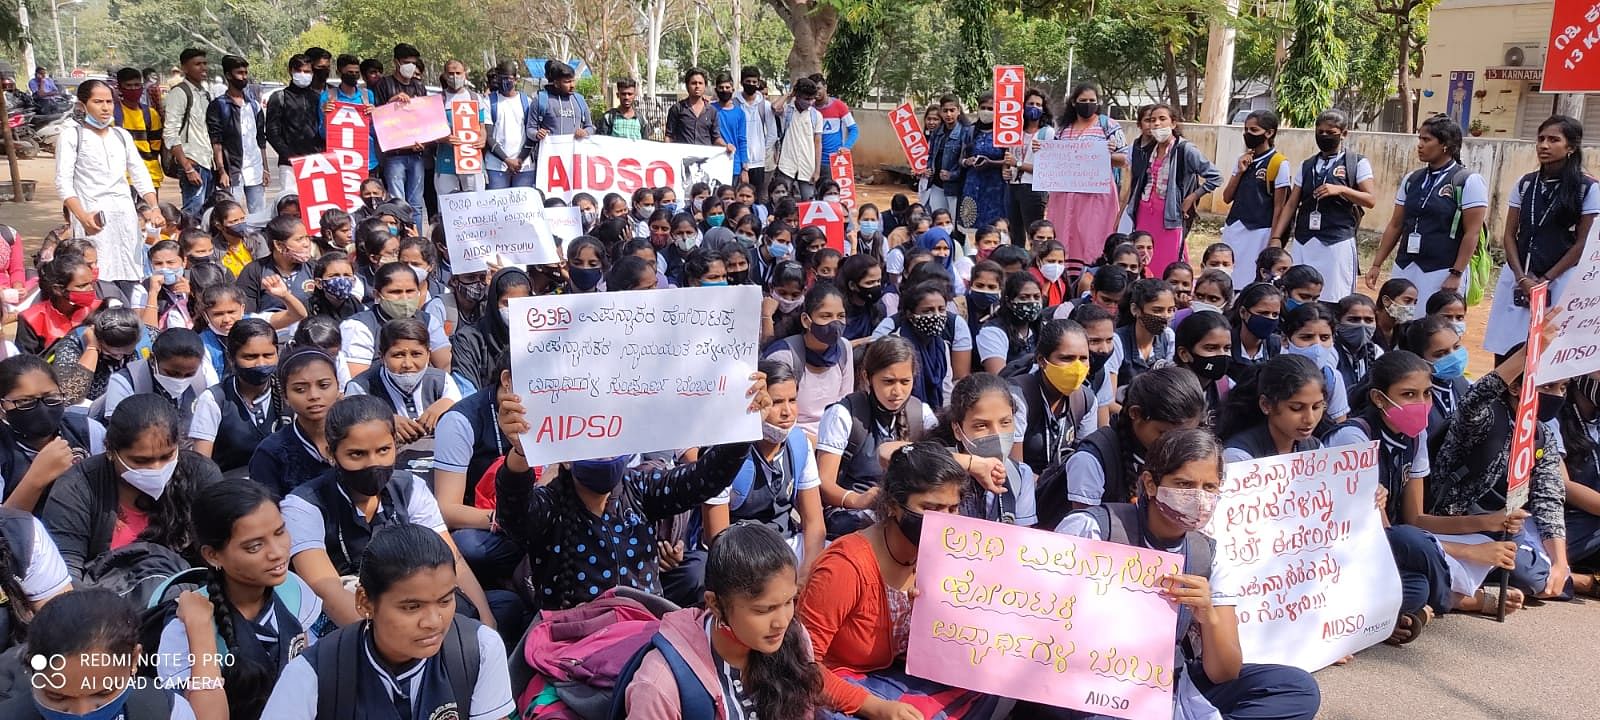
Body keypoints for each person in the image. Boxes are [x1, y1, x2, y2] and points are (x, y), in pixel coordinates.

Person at [1053, 428, 1323, 719]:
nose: (1198, 497)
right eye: (1184, 484)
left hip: (1168, 683)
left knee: (1297, 689)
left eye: (1209, 487)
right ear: (1151, 484)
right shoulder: (1095, 529)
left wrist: (1208, 616)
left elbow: (1224, 672)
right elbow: (1040, 624)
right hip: (1088, 684)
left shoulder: (1207, 555)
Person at [490, 371, 770, 611]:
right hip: (570, 653)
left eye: (608, 435)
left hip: (642, 643)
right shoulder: (549, 508)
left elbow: (705, 479)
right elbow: (514, 515)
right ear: (563, 451)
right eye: (588, 435)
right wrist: (520, 452)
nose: (602, 450)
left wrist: (742, 424)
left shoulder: (642, 490)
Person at [799, 442, 1004, 719]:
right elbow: (801, 666)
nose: (944, 521)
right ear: (894, 505)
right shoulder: (844, 567)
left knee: (995, 681)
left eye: (953, 509)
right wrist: (878, 709)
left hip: (904, 677)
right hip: (846, 686)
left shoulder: (953, 559)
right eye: (931, 507)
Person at [259, 524, 515, 720]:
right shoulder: (313, 674)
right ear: (364, 601)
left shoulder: (478, 648)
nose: (433, 622)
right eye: (412, 607)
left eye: (445, 601)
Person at [281, 395, 496, 626]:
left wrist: (486, 622)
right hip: (346, 618)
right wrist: (388, 646)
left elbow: (452, 559)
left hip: (413, 601)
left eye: (383, 450)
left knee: (501, 605)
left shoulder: (411, 488)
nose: (373, 463)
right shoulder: (303, 506)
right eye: (357, 454)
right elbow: (326, 590)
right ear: (331, 454)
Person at [1320, 351, 1474, 636]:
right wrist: (1466, 552)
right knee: (1409, 540)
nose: (1421, 404)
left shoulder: (1417, 435)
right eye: (1408, 394)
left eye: (1426, 394)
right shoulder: (1354, 437)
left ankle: (1393, 616)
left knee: (1417, 587)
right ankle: (1457, 600)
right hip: (1346, 550)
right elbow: (1387, 532)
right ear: (1379, 399)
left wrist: (1489, 525)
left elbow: (1415, 517)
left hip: (1385, 544)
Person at [155, 480, 332, 720]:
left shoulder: (295, 591)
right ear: (212, 555)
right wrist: (200, 632)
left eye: (280, 532)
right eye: (255, 546)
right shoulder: (182, 626)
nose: (277, 552)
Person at [624, 523, 823, 720]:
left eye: (789, 601)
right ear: (715, 605)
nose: (782, 622)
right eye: (764, 610)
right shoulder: (661, 685)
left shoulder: (795, 638)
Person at [1432, 325, 1568, 598]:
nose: (1557, 395)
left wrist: (1560, 562)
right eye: (1547, 386)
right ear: (1516, 387)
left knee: (1538, 581)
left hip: (1506, 526)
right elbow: (1475, 398)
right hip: (1456, 522)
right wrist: (1529, 352)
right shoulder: (1485, 418)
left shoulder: (1542, 434)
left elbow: (1548, 497)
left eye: (1563, 387)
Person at [42, 394, 220, 579]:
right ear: (111, 451)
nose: (156, 469)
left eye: (166, 457)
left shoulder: (201, 475)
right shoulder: (77, 488)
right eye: (141, 461)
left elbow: (225, 547)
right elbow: (65, 574)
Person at [695, 361, 826, 583]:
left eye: (792, 400)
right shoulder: (724, 452)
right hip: (741, 555)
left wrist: (805, 575)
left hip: (788, 545)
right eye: (776, 402)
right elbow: (717, 537)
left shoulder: (799, 443)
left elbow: (815, 523)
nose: (787, 412)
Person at [1484, 115, 1597, 357]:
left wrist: (1545, 279)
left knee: (1548, 351)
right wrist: (1521, 278)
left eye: (1553, 140)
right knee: (1507, 348)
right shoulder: (1525, 184)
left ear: (1571, 147)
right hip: (1519, 276)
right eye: (1541, 139)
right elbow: (1509, 235)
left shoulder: (1587, 188)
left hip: (1560, 280)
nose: (1544, 145)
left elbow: (1582, 244)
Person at [0, 589, 198, 720]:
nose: (81, 714)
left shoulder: (166, 711)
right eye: (57, 697)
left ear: (134, 660)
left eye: (102, 693)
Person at [1366, 115, 1486, 302]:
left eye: (1426, 140)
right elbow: (1396, 224)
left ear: (1445, 144)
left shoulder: (1467, 181)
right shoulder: (1412, 179)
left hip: (1441, 270)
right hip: (1406, 266)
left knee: (1434, 328)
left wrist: (1456, 273)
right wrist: (1376, 264)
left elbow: (1472, 232)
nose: (1419, 145)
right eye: (1419, 138)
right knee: (1400, 324)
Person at [56, 80, 163, 288]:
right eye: (98, 102)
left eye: (109, 101)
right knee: (97, 273)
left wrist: (154, 206)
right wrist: (82, 216)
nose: (105, 108)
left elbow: (140, 174)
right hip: (93, 218)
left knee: (131, 273)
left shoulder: (121, 136)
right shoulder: (72, 135)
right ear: (83, 105)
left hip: (125, 216)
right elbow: (63, 182)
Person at [1061, 366, 1206, 513]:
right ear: (1135, 414)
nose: (1177, 446)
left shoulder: (1186, 458)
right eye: (1165, 434)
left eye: (1186, 437)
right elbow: (1082, 530)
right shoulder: (1091, 460)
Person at [1273, 109, 1377, 302]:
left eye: (1330, 133)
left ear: (1344, 134)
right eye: (1320, 132)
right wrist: (1277, 237)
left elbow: (1370, 199)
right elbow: (1291, 204)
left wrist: (1342, 190)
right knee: (1297, 295)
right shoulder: (1307, 165)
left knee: (1335, 297)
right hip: (1305, 240)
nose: (1324, 136)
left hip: (1336, 241)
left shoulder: (1357, 163)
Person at [343, 317, 462, 470]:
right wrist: (383, 422)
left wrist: (450, 405)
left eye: (416, 354)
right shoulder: (361, 387)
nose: (407, 364)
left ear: (428, 354)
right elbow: (350, 433)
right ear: (382, 356)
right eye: (398, 355)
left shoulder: (442, 381)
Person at [1124, 103, 1220, 273]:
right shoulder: (1148, 149)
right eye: (1153, 120)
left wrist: (1192, 197)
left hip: (1169, 217)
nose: (1156, 124)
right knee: (1142, 260)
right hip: (1144, 213)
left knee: (1167, 263)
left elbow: (1215, 177)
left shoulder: (1185, 149)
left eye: (1162, 119)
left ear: (1173, 123)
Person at [0, 354, 102, 513]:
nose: (42, 408)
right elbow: (4, 528)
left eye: (51, 397)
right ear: (2, 407)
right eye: (25, 401)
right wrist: (36, 479)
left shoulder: (87, 430)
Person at [1043, 84, 1126, 273]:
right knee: (1064, 233)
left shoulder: (1109, 125)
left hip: (1096, 196)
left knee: (1092, 236)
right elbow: (1054, 157)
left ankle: (1091, 274)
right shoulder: (1063, 129)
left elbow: (1124, 158)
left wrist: (1102, 155)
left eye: (1092, 101)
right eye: (1083, 101)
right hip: (1065, 195)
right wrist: (1042, 152)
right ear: (1073, 102)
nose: (1088, 104)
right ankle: (1064, 274)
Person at [189, 319, 283, 476]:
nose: (260, 363)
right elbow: (201, 468)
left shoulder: (289, 393)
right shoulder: (214, 400)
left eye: (268, 355)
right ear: (231, 358)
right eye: (250, 357)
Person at [762, 284, 854, 436]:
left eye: (840, 316)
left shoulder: (844, 348)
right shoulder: (783, 355)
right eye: (826, 316)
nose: (835, 323)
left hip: (833, 434)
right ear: (806, 320)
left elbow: (844, 401)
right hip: (792, 434)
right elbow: (775, 413)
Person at [1011, 318, 1098, 476]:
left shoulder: (1086, 400)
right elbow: (1015, 472)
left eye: (1083, 358)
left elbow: (1085, 460)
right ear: (1041, 360)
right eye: (1067, 358)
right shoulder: (1017, 397)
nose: (1077, 368)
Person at [249, 347, 340, 497]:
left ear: (338, 387)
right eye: (300, 389)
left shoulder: (358, 436)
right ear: (285, 396)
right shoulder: (270, 453)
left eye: (323, 385)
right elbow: (266, 513)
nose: (314, 395)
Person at [871, 279, 971, 410]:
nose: (936, 316)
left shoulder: (942, 347)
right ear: (910, 314)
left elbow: (946, 390)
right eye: (927, 311)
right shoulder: (895, 345)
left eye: (941, 309)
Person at [340, 262, 451, 377]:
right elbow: (358, 379)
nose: (404, 298)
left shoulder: (428, 321)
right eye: (395, 292)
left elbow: (444, 367)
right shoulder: (358, 327)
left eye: (410, 291)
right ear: (377, 295)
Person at [1220, 109, 1290, 288]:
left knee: (1251, 280)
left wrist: (1275, 237)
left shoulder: (1278, 163)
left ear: (1269, 133)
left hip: (1259, 230)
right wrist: (1239, 171)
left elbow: (1279, 206)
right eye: (1246, 129)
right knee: (1227, 277)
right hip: (1235, 227)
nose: (1248, 134)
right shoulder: (1243, 160)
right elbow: (1227, 197)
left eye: (1253, 130)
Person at [102, 326, 209, 427]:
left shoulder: (203, 379)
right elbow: (119, 432)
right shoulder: (125, 381)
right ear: (153, 359)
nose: (180, 380)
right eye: (172, 373)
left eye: (189, 374)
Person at [372, 43, 430, 229]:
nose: (410, 66)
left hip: (416, 153)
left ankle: (417, 238)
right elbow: (376, 117)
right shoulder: (383, 85)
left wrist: (425, 143)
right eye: (406, 62)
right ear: (396, 62)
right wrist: (392, 102)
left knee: (416, 204)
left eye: (413, 63)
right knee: (398, 203)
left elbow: (425, 118)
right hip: (394, 155)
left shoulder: (419, 87)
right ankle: (400, 241)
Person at [44, 305, 150, 405]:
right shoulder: (75, 342)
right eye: (110, 353)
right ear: (98, 338)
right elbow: (68, 398)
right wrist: (92, 348)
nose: (119, 357)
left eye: (125, 353)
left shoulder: (146, 339)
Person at [449, 267, 529, 392]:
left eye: (522, 303)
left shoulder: (540, 338)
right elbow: (466, 393)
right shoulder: (469, 339)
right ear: (493, 302)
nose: (515, 309)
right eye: (507, 303)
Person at [208, 55, 269, 214]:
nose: (244, 77)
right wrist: (221, 170)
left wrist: (265, 168)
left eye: (245, 73)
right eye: (239, 73)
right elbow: (216, 141)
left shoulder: (253, 105)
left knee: (259, 216)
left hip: (255, 169)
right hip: (233, 171)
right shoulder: (219, 106)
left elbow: (260, 139)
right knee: (233, 215)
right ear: (228, 75)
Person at [16, 255, 98, 356]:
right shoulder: (32, 318)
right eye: (82, 286)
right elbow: (24, 363)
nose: (90, 289)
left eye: (92, 283)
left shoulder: (100, 309)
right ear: (58, 289)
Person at [165, 49, 215, 216]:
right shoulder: (179, 93)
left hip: (207, 161)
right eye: (197, 64)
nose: (203, 68)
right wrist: (187, 167)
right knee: (192, 212)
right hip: (193, 161)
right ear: (184, 68)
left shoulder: (204, 94)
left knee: (206, 213)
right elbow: (170, 133)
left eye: (204, 63)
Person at [239, 214, 317, 314]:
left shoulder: (314, 268)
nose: (306, 244)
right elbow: (246, 313)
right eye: (299, 239)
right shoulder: (254, 271)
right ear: (279, 245)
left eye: (307, 238)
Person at [433, 59, 489, 195]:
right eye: (451, 73)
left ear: (465, 74)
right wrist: (443, 139)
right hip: (446, 164)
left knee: (476, 204)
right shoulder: (438, 100)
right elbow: (431, 132)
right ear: (445, 75)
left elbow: (482, 127)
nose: (455, 77)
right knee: (447, 206)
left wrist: (483, 138)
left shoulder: (475, 98)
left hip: (471, 161)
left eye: (458, 73)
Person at [319, 54, 379, 176]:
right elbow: (323, 134)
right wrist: (326, 117)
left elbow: (375, 131)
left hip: (367, 160)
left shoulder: (367, 96)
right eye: (349, 72)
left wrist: (374, 116)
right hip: (339, 161)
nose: (353, 76)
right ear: (339, 72)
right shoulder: (328, 97)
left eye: (356, 73)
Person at [266, 53, 325, 172]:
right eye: (299, 70)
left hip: (316, 163)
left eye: (307, 71)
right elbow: (272, 133)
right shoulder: (279, 98)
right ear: (291, 71)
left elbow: (323, 129)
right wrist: (290, 156)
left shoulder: (318, 98)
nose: (303, 74)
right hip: (289, 166)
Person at [976, 272, 1044, 373]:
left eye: (1036, 297)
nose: (1032, 302)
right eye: (1024, 297)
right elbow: (999, 376)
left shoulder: (1041, 328)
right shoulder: (992, 332)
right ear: (1009, 301)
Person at [958, 92, 1007, 231]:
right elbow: (960, 159)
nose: (986, 111)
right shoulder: (970, 131)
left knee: (995, 227)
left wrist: (991, 163)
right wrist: (967, 162)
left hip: (996, 187)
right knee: (970, 225)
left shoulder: (1004, 133)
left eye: (991, 109)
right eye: (983, 107)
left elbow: (1010, 160)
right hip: (973, 185)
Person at [113, 67, 164, 193]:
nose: (133, 89)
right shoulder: (112, 114)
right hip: (122, 178)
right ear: (119, 88)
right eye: (128, 86)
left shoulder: (151, 114)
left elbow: (155, 147)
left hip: (149, 176)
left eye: (136, 85)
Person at [484, 60, 534, 189]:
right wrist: (507, 160)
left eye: (508, 78)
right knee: (497, 207)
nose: (504, 82)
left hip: (524, 166)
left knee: (522, 208)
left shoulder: (527, 102)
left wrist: (519, 160)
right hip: (496, 166)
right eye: (501, 78)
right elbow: (488, 136)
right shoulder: (488, 102)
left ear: (516, 79)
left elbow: (531, 134)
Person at [736, 67, 778, 202]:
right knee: (738, 197)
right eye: (748, 81)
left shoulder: (764, 105)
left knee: (758, 198)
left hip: (758, 162)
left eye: (755, 82)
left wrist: (762, 151)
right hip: (738, 160)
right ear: (742, 82)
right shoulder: (734, 104)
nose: (752, 85)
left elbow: (772, 133)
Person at [924, 95, 968, 217]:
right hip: (936, 185)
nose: (948, 114)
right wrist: (929, 168)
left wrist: (951, 175)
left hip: (955, 187)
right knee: (937, 219)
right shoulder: (938, 132)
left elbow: (965, 161)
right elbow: (931, 155)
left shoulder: (965, 132)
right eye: (945, 111)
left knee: (954, 223)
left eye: (952, 110)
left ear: (958, 111)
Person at [1229, 281, 1284, 377]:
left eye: (1275, 314)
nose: (1270, 318)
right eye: (1263, 313)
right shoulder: (1225, 344)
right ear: (1243, 312)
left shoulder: (1276, 347)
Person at [666, 67, 728, 150]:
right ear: (687, 86)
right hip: (683, 157)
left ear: (705, 86)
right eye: (693, 83)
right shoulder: (677, 109)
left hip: (704, 159)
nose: (697, 86)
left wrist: (726, 146)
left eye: (700, 83)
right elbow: (669, 136)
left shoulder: (712, 111)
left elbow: (716, 137)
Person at [1334, 293, 1383, 393]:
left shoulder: (1375, 352)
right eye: (1354, 319)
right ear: (1337, 322)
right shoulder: (1330, 351)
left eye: (1369, 320)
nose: (1362, 325)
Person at [713, 73, 750, 181]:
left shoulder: (740, 113)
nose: (724, 90)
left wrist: (744, 167)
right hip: (713, 162)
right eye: (721, 88)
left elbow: (742, 140)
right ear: (716, 90)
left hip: (733, 164)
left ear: (733, 90)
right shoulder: (709, 110)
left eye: (727, 87)